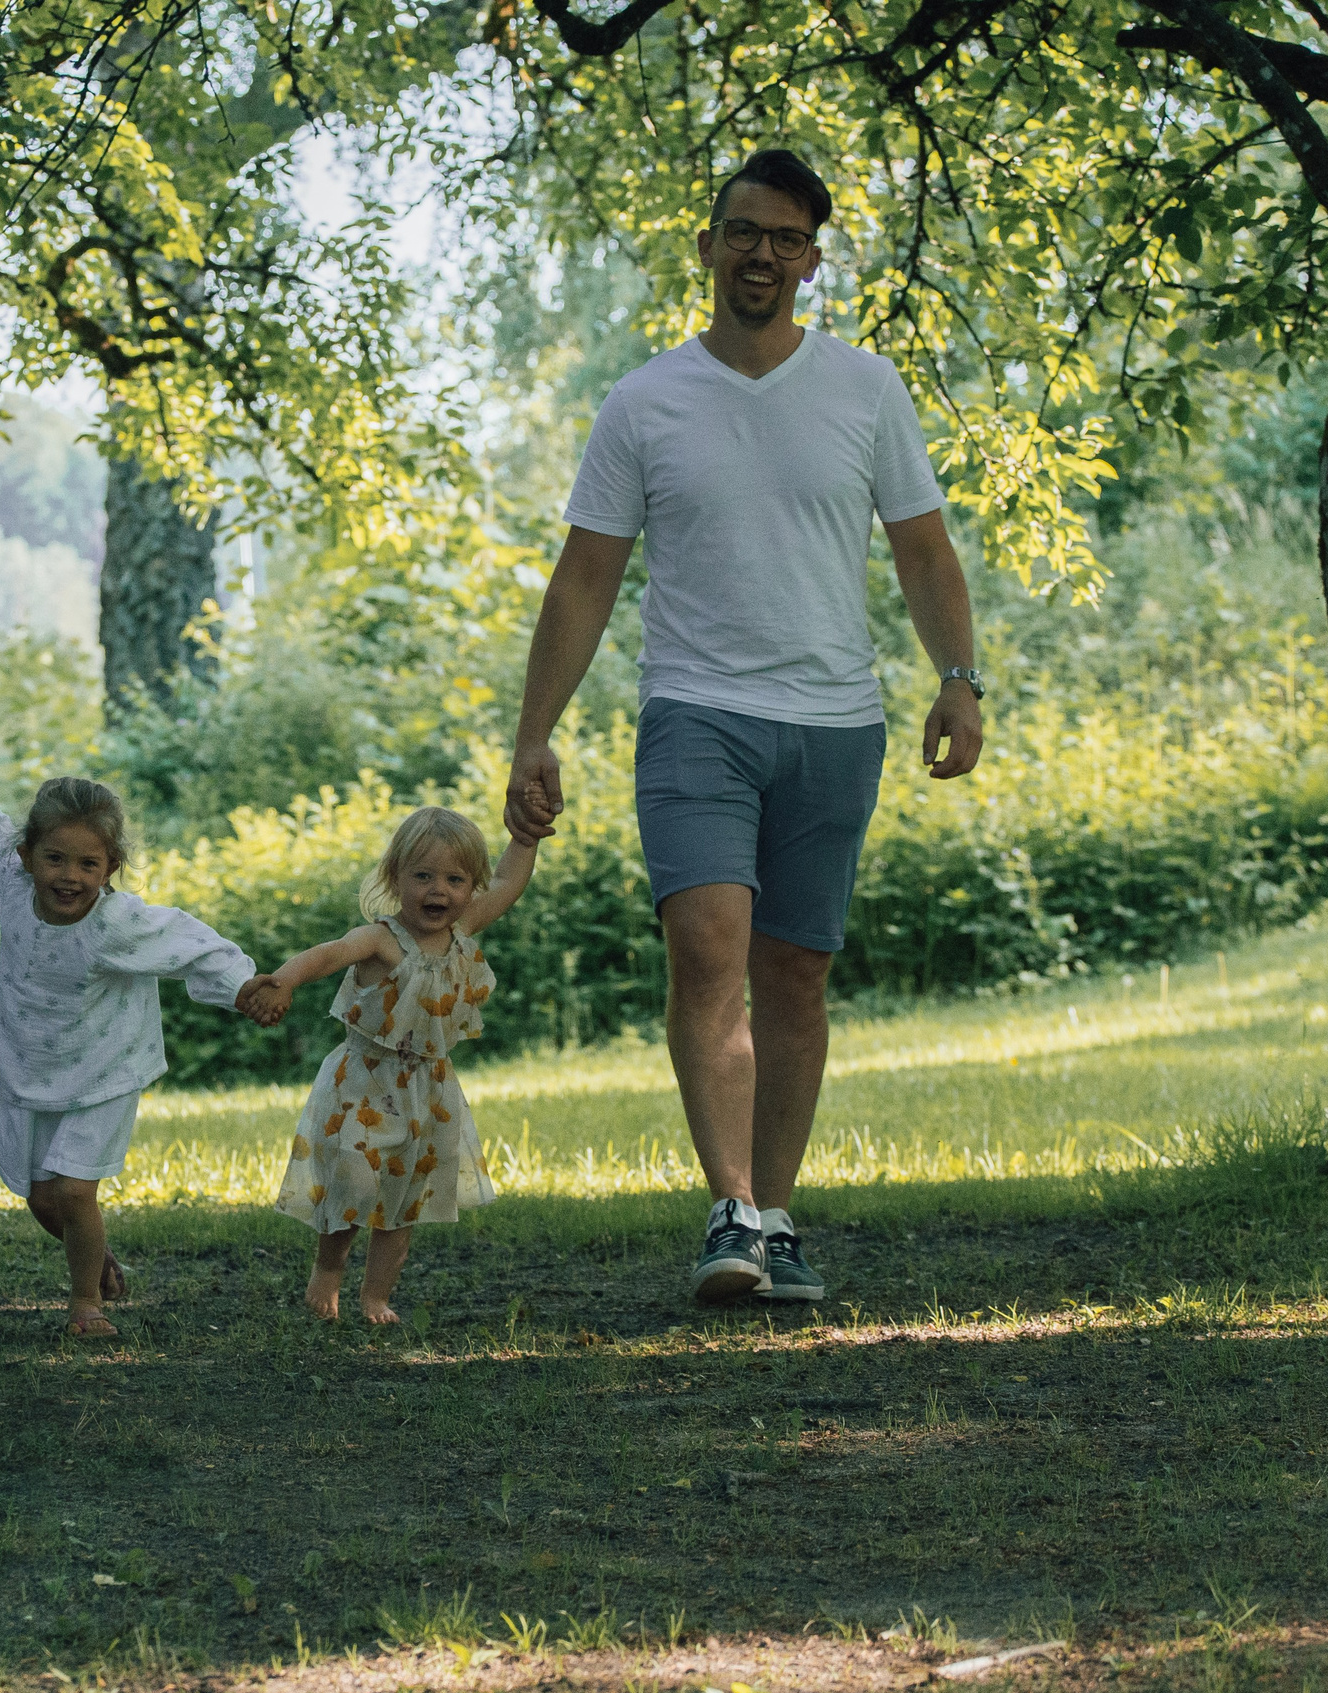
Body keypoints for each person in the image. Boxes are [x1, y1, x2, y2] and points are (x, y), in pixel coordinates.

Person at [502, 148, 985, 1307]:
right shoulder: (645, 399)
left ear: (811, 260)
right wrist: (533, 735)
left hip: (834, 722)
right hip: (694, 714)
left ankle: (773, 1220)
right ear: (708, 248)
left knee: (796, 975)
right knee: (707, 946)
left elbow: (922, 548)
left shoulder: (865, 389)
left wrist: (959, 679)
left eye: (785, 238)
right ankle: (727, 1206)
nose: (761, 253)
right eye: (743, 233)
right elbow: (582, 582)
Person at [0, 777, 256, 1337]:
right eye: (55, 859)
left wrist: (244, 988)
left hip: (106, 1072)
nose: (70, 876)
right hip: (31, 1070)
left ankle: (85, 1304)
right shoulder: (12, 887)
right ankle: (95, 1260)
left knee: (73, 1189)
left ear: (110, 866)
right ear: (28, 857)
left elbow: (188, 941)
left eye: (88, 864)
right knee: (43, 1201)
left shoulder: (116, 922)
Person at [240, 806, 539, 1323]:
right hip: (364, 1079)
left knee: (406, 1198)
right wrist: (283, 981)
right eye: (422, 876)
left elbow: (511, 879)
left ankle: (375, 1296)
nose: (437, 891)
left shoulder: (463, 930)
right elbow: (328, 954)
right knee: (354, 1180)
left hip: (430, 1087)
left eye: (454, 879)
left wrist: (527, 835)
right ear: (395, 878)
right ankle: (328, 1271)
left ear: (471, 887)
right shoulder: (380, 938)